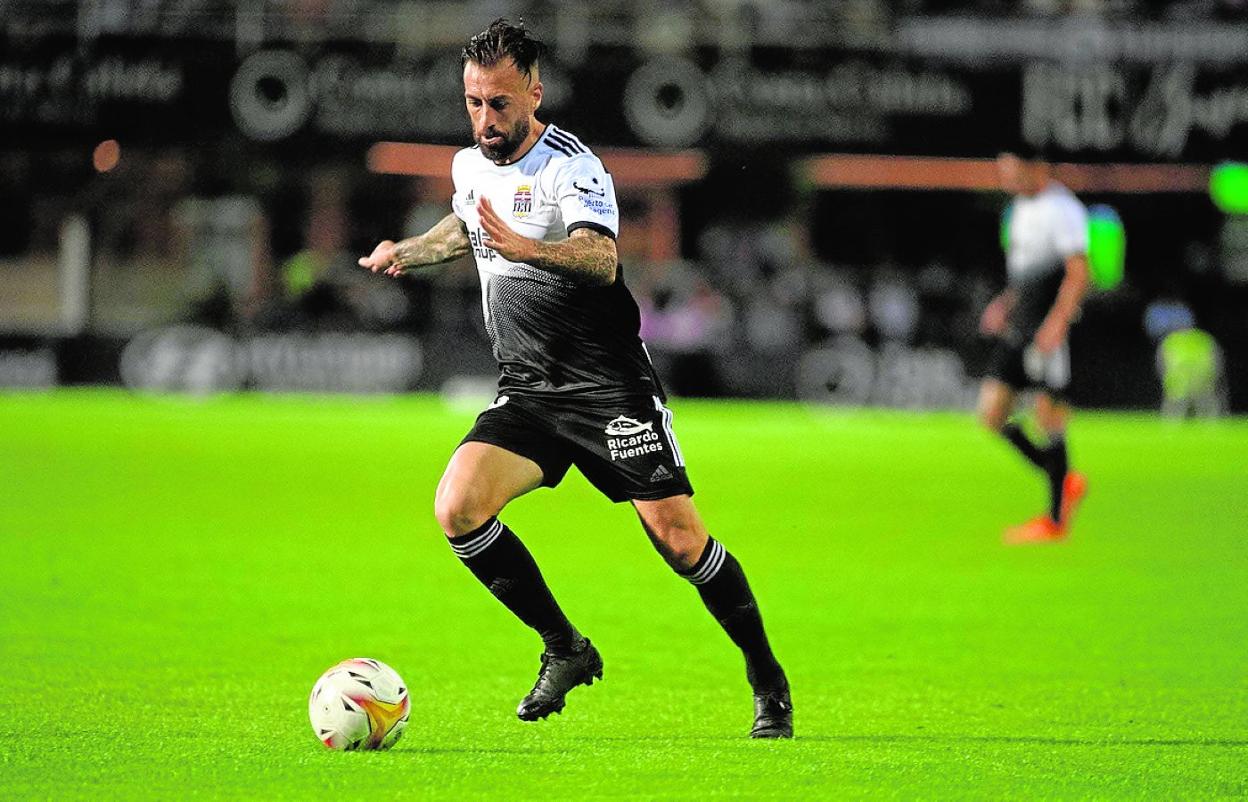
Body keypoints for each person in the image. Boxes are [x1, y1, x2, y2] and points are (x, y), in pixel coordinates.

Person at [357, 19, 792, 739]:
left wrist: (527, 247)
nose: (485, 119)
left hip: (607, 387)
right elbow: (465, 226)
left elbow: (600, 259)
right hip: (529, 389)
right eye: (474, 103)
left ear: (534, 92)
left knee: (681, 541)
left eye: (499, 103)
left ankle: (767, 680)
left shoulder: (572, 166)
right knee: (458, 507)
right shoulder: (470, 166)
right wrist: (409, 250)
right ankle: (565, 648)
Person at [978, 150, 1090, 544]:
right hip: (1018, 328)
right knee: (992, 414)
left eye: (1012, 172)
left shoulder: (1063, 209)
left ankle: (1055, 522)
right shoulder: (1020, 209)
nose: (1006, 180)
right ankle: (1063, 477)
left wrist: (1057, 323)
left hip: (1045, 330)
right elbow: (1024, 276)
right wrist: (1004, 304)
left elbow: (1078, 273)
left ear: (1037, 168)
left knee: (1049, 417)